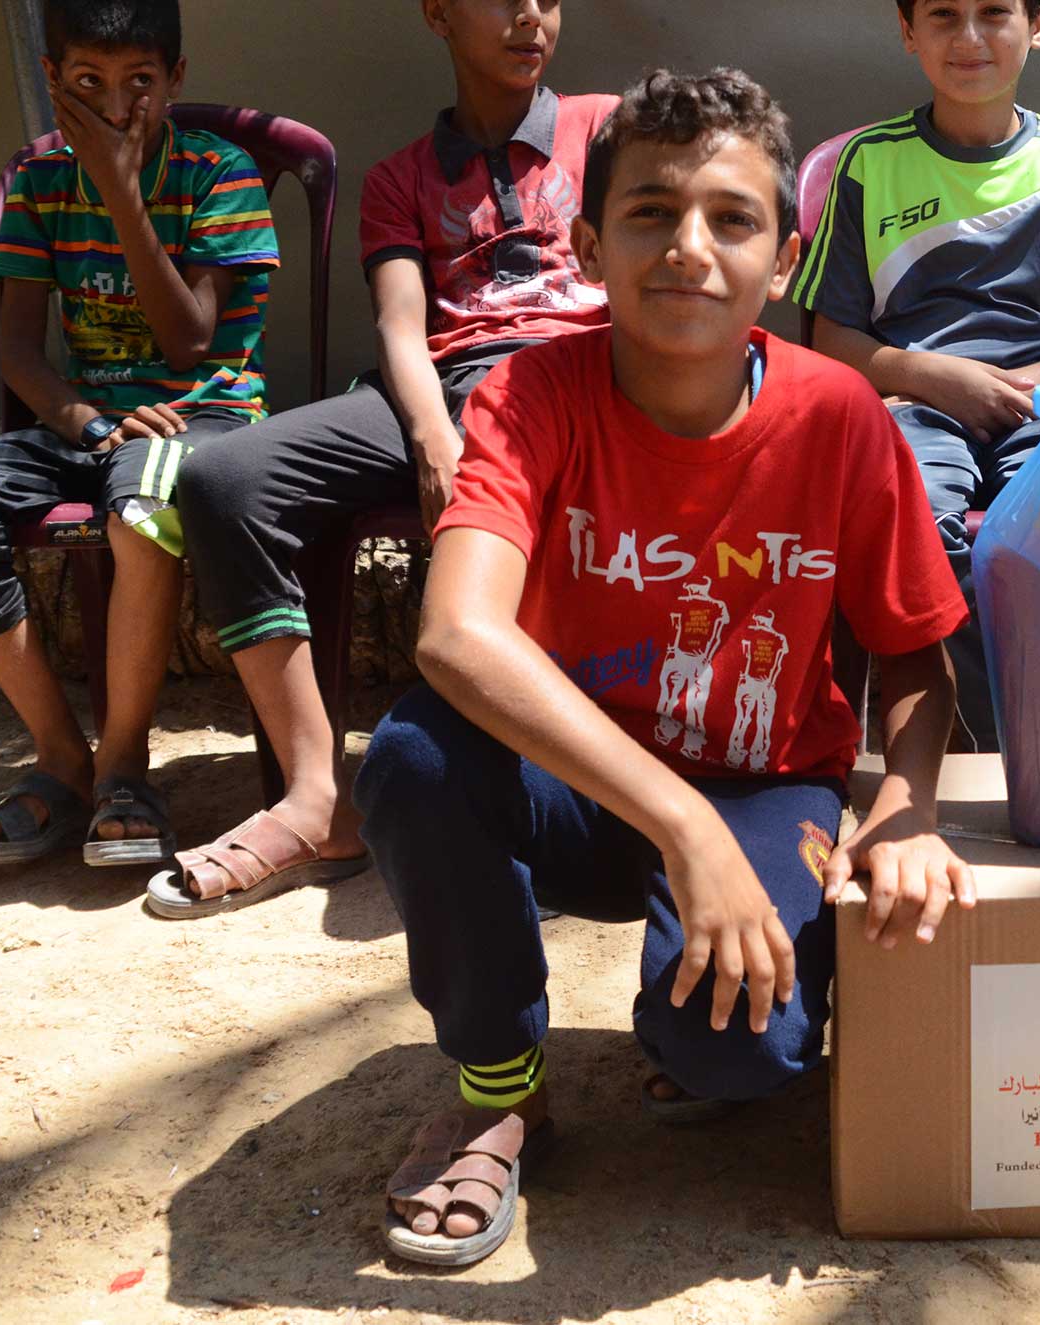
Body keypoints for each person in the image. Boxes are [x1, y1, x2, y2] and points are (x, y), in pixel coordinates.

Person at [352, 68, 975, 1266]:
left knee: (735, 1055)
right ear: (586, 244)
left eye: (730, 218)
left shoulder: (842, 415)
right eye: (649, 212)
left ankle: (691, 1008)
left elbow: (913, 655)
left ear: (783, 258)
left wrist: (904, 807)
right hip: (581, 786)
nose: (688, 248)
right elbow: (454, 633)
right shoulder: (532, 392)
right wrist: (682, 827)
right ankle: (499, 1087)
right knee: (416, 757)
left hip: (763, 787)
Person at [149, 0, 616, 916]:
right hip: (434, 393)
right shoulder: (403, 176)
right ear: (439, 13)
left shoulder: (603, 127)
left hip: (573, 382)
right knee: (223, 478)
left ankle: (551, 792)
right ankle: (317, 792)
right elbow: (404, 325)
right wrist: (434, 436)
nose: (530, 15)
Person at [0, 0, 277, 867]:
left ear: (175, 80)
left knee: (141, 504)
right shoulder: (39, 181)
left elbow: (190, 341)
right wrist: (87, 421)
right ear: (51, 79)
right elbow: (19, 351)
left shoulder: (219, 171)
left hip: (204, 415)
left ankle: (127, 762)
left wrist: (125, 194)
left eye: (139, 84)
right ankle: (63, 759)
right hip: (88, 422)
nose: (118, 107)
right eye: (89, 83)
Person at [791, 0, 1040, 751]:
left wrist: (1018, 389)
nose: (969, 39)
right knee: (914, 529)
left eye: (994, 12)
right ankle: (980, 753)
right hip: (913, 406)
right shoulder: (869, 164)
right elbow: (832, 339)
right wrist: (941, 380)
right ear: (907, 32)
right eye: (943, 16)